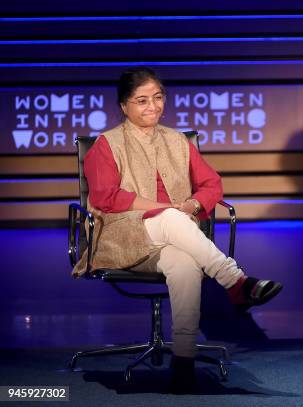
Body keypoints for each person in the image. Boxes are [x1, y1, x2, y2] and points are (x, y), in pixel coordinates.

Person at [72, 67, 282, 392]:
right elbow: (105, 197)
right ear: (124, 106)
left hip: (175, 234)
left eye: (157, 98)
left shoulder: (178, 142)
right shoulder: (106, 145)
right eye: (141, 101)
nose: (152, 107)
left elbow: (212, 184)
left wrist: (194, 205)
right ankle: (235, 281)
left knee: (184, 264)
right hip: (121, 236)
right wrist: (168, 210)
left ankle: (183, 360)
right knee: (170, 218)